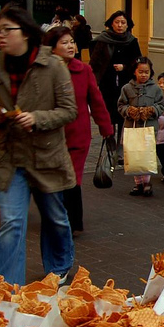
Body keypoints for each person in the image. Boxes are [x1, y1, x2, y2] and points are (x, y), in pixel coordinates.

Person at [0, 6, 77, 286]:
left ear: (24, 32)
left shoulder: (53, 66)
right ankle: (6, 289)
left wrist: (37, 118)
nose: (0, 36)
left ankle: (59, 264)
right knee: (12, 223)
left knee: (56, 218)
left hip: (45, 155)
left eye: (6, 30)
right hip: (9, 156)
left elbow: (69, 110)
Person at [44, 25, 114, 234]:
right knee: (56, 177)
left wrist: (106, 127)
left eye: (71, 42)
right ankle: (57, 217)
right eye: (64, 43)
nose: (70, 46)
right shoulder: (43, 71)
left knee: (73, 177)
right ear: (52, 48)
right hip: (52, 135)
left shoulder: (84, 70)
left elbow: (96, 99)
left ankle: (74, 222)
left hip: (78, 134)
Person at [90, 11, 142, 143]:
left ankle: (122, 143)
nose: (119, 25)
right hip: (107, 83)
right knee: (109, 112)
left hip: (127, 83)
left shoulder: (132, 41)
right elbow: (95, 62)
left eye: (123, 23)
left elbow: (138, 62)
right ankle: (109, 139)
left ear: (127, 25)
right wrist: (94, 82)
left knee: (124, 114)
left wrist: (124, 68)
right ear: (111, 24)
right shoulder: (103, 40)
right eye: (117, 22)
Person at [119, 57, 164, 197]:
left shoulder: (156, 89)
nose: (143, 75)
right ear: (134, 72)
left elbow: (161, 106)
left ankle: (146, 183)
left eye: (146, 72)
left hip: (149, 128)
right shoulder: (126, 88)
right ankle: (138, 183)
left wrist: (151, 110)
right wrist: (129, 111)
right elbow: (121, 105)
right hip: (131, 126)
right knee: (134, 154)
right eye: (141, 72)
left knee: (146, 154)